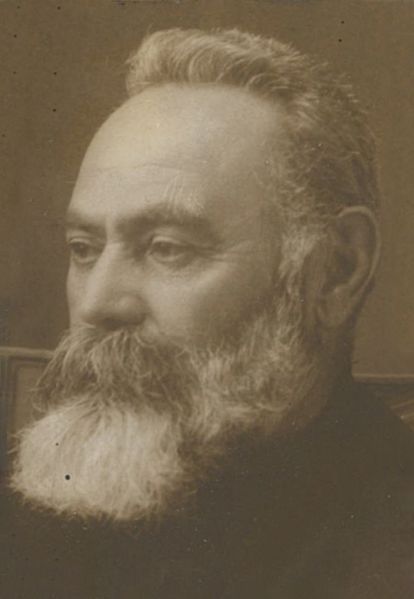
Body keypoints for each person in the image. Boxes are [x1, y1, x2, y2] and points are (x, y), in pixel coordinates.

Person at [1, 28, 414, 598]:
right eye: (83, 248)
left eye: (167, 248)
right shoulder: (28, 525)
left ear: (335, 271)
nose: (95, 304)